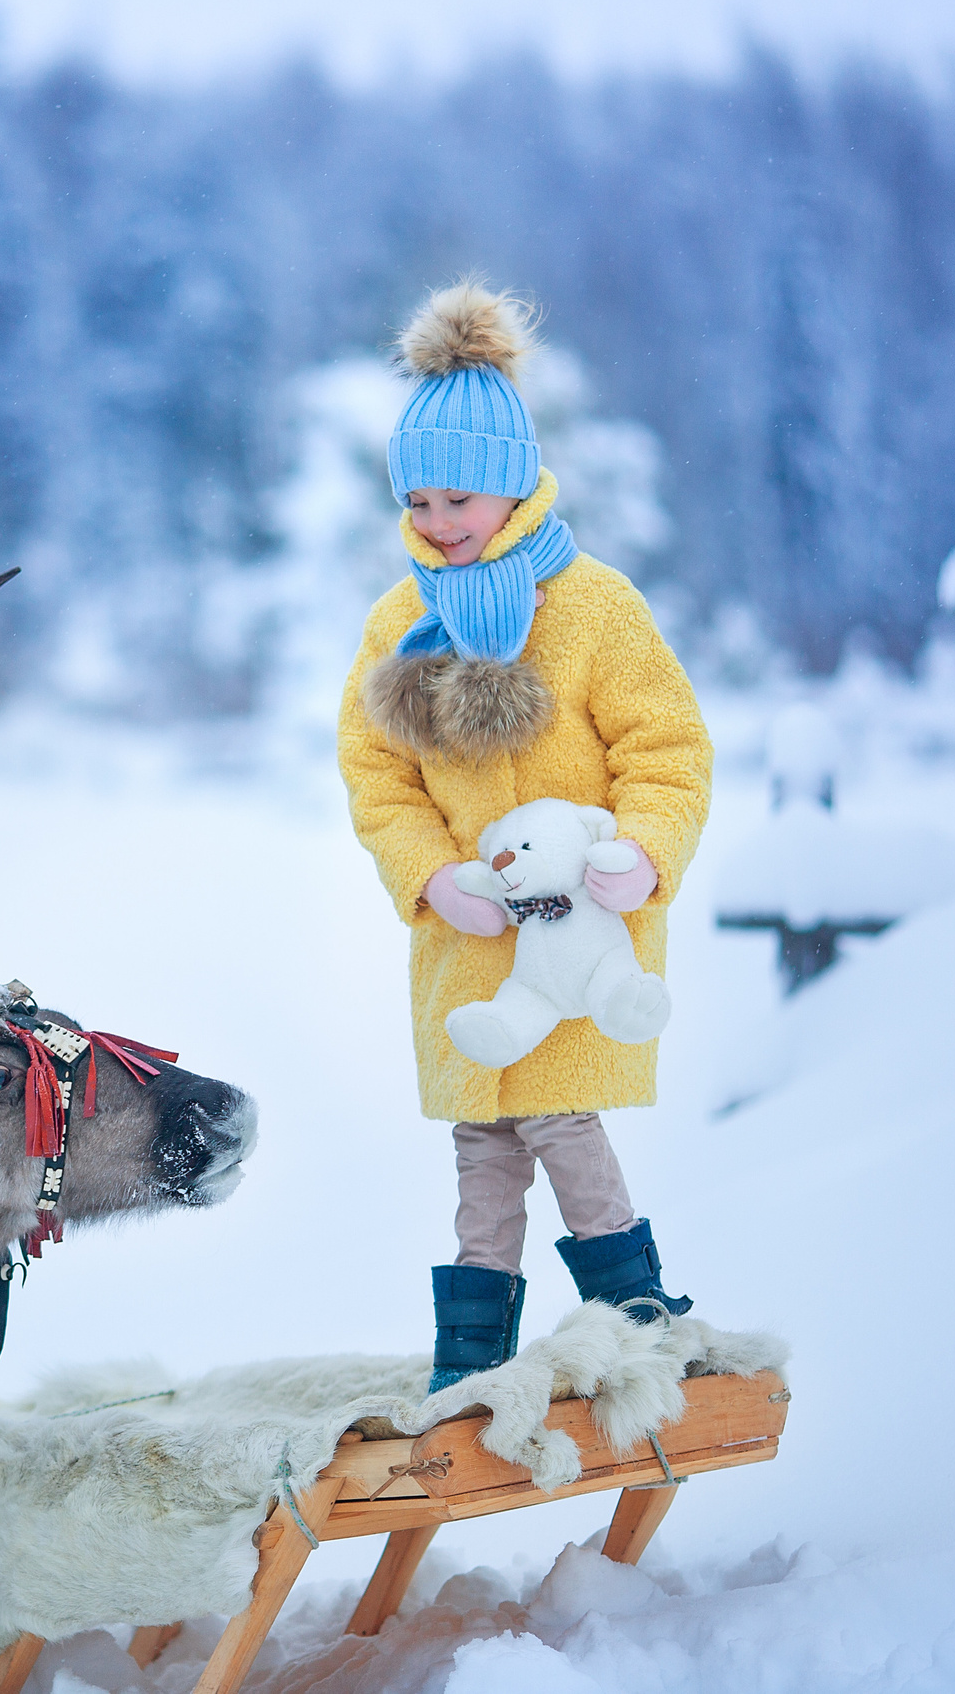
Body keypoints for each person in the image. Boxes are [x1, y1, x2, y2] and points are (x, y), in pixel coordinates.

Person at [337, 283, 713, 1392]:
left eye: (459, 495)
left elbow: (668, 746)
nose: (438, 518)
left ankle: (633, 1317)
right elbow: (375, 771)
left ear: (510, 484)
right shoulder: (395, 621)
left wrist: (645, 848)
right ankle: (473, 1352)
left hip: (579, 935)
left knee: (558, 1114)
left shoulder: (592, 608)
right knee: (482, 1138)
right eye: (418, 498)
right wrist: (424, 876)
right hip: (467, 942)